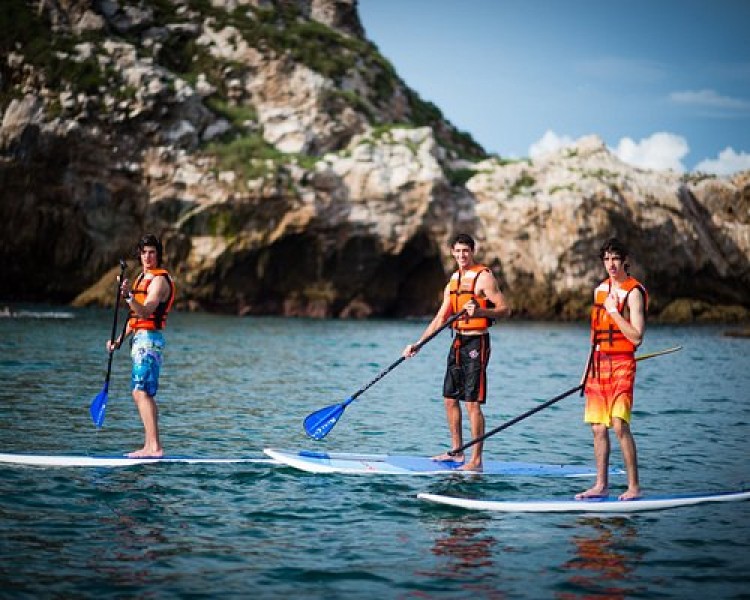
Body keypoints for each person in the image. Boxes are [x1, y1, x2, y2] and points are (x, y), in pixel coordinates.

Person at [403, 234, 510, 471]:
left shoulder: (484, 278)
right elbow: (441, 317)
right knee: (450, 399)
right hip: (458, 342)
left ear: (472, 252)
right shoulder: (452, 282)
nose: (462, 255)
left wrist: (481, 313)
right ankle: (457, 452)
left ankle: (477, 460)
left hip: (477, 344)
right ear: (452, 252)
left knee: (472, 403)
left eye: (466, 251)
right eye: (458, 251)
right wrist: (418, 343)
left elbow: (505, 309)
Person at [576, 238, 647, 501]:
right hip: (598, 364)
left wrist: (615, 313)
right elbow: (594, 338)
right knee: (597, 428)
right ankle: (601, 485)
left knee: (618, 424)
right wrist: (585, 371)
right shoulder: (599, 291)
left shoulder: (634, 292)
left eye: (615, 259)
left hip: (621, 364)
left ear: (625, 260)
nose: (611, 264)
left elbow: (637, 337)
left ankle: (634, 487)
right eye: (606, 259)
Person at [107, 234, 175, 458]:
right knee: (144, 393)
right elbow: (134, 318)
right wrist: (118, 341)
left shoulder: (158, 281)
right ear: (139, 254)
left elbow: (145, 311)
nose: (148, 256)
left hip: (149, 341)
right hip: (140, 339)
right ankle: (151, 445)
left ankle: (154, 448)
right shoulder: (140, 278)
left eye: (152, 252)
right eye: (144, 252)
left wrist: (127, 296)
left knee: (140, 392)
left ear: (158, 255)